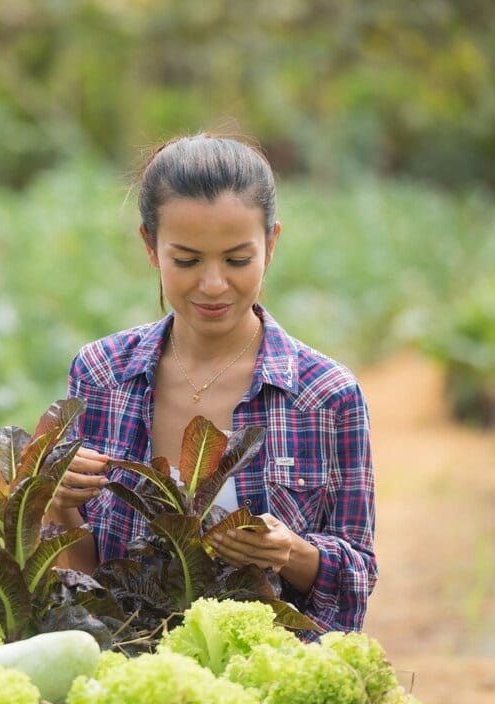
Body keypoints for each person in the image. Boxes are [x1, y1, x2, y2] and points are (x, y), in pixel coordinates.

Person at [44, 133, 377, 634]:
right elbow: (86, 586)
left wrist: (290, 552)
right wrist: (59, 504)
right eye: (187, 260)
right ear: (150, 247)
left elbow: (358, 576)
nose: (214, 284)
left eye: (238, 260)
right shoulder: (100, 375)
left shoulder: (326, 396)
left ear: (272, 243)